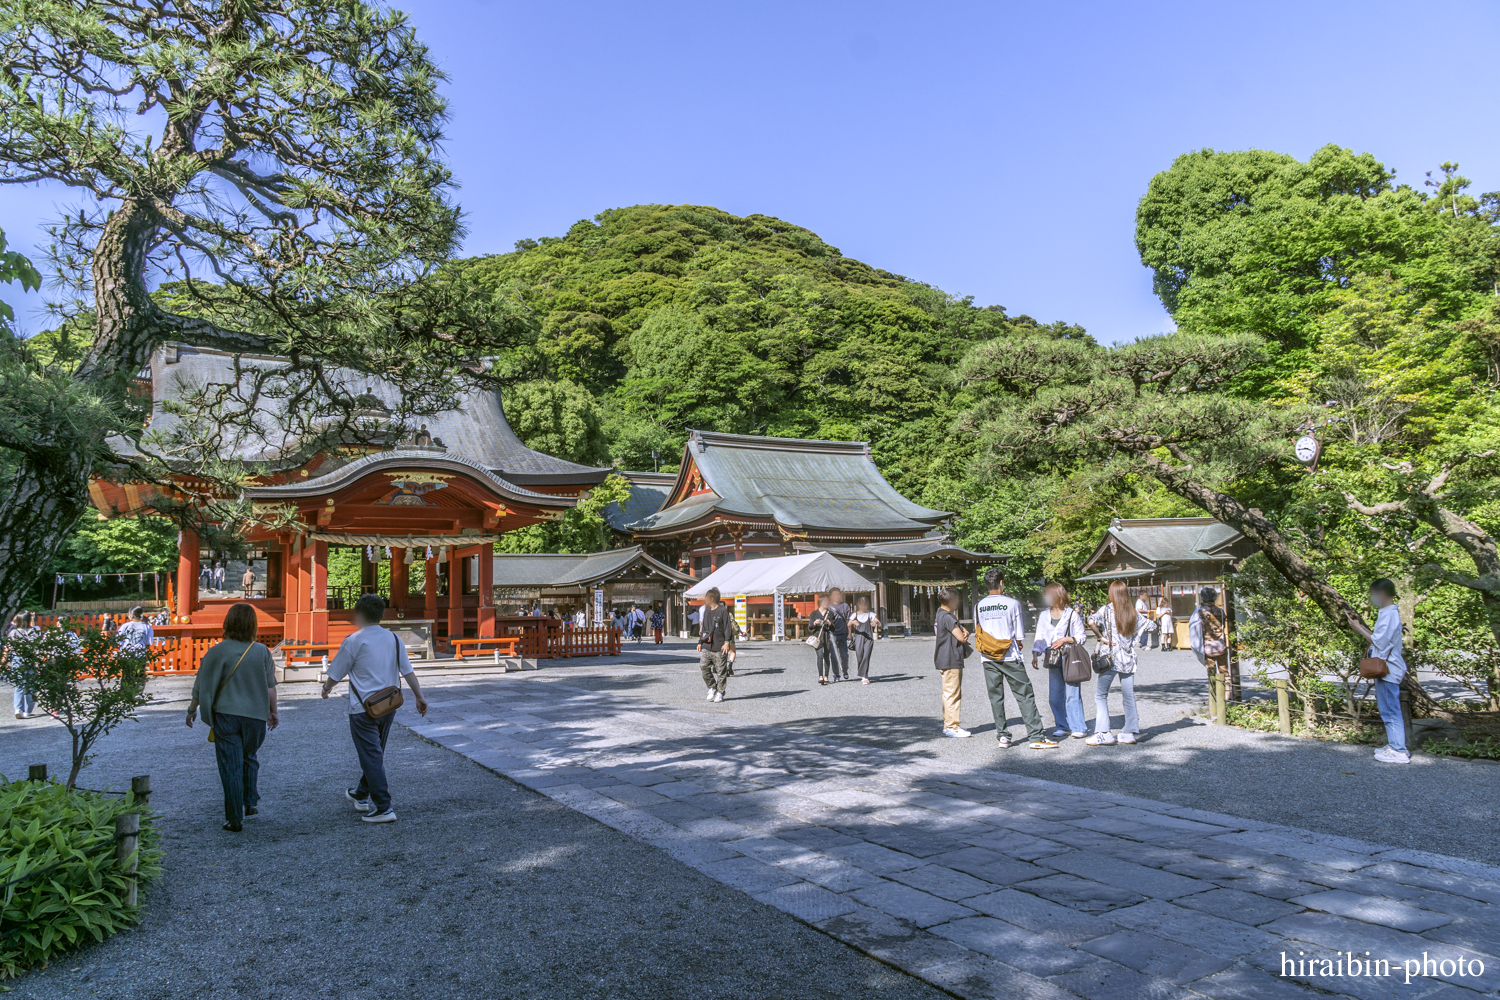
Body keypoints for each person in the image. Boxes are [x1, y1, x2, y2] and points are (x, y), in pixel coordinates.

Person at [321, 594, 429, 823]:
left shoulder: (354, 640)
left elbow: (336, 671)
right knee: (375, 753)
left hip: (362, 708)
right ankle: (360, 794)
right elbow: (407, 670)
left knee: (371, 755)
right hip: (389, 705)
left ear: (359, 615)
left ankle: (383, 806)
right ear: (381, 614)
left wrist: (326, 688)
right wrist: (419, 696)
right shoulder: (393, 639)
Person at [185, 603, 279, 832]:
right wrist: (273, 711)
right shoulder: (261, 651)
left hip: (227, 715)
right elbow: (270, 687)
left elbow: (202, 683)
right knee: (249, 756)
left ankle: (234, 817)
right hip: (256, 716)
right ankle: (250, 802)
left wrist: (192, 708)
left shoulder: (216, 651)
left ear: (228, 622)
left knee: (231, 765)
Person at [975, 568, 1056, 749]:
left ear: (987, 584)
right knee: (1024, 694)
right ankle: (1035, 736)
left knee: (996, 697)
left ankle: (1003, 736)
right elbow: (1019, 634)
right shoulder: (1012, 603)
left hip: (988, 657)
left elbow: (978, 631)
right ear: (1001, 583)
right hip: (1009, 655)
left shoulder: (979, 605)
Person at [1087, 580, 1151, 745]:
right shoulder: (1133, 612)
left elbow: (1091, 620)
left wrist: (1101, 637)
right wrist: (1134, 637)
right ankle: (1128, 732)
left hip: (1110, 658)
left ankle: (1104, 732)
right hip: (1128, 659)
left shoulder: (1107, 610)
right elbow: (1151, 626)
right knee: (1128, 696)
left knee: (1101, 695)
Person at [1031, 582, 1088, 739]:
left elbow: (1082, 637)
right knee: (1055, 695)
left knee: (1072, 693)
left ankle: (1078, 727)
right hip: (1052, 657)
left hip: (1070, 657)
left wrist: (1066, 639)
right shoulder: (1044, 615)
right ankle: (1062, 725)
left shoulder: (1072, 614)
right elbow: (1040, 636)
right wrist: (1036, 653)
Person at [1367, 578, 1411, 764]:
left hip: (1387, 669)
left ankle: (1398, 750)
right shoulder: (1388, 612)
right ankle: (1394, 745)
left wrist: (1358, 628)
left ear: (1381, 594)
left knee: (1390, 711)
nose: (1372, 598)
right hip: (1387, 667)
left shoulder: (1389, 614)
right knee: (1388, 709)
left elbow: (1380, 641)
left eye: (1373, 594)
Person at [933, 588, 971, 737]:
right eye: (956, 599)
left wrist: (962, 630)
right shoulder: (948, 617)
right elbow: (961, 637)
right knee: (953, 693)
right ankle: (952, 726)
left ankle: (948, 724)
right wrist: (964, 633)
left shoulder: (940, 613)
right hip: (950, 658)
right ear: (951, 601)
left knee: (948, 693)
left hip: (944, 657)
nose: (958, 602)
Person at [1188, 587, 1229, 697]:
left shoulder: (1199, 612)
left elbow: (1194, 630)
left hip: (1207, 646)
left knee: (1211, 673)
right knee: (1224, 672)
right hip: (1220, 645)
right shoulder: (1220, 611)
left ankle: (1215, 698)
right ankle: (1227, 697)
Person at [696, 587, 734, 702]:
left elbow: (728, 628)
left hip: (720, 645)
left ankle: (720, 692)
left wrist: (727, 642)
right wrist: (700, 641)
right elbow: (704, 628)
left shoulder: (723, 611)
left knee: (721, 671)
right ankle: (712, 687)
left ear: (712, 598)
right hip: (707, 645)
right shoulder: (707, 611)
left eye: (707, 597)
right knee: (704, 667)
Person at [8, 612, 36, 719]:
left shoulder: (13, 632)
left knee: (19, 685)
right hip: (30, 659)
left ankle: (18, 708)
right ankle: (28, 710)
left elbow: (9, 647)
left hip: (17, 659)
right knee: (30, 686)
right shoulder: (33, 632)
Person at [808, 595, 839, 686]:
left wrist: (829, 623)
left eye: (827, 602)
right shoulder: (814, 613)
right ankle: (820, 676)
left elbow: (833, 628)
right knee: (820, 655)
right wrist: (814, 623)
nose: (826, 603)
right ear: (820, 603)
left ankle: (826, 676)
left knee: (826, 656)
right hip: (818, 637)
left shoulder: (830, 613)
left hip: (827, 637)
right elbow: (810, 627)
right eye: (824, 602)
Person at [849, 595, 880, 685]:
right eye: (862, 605)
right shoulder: (855, 614)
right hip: (858, 638)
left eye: (865, 605)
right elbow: (848, 624)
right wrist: (852, 622)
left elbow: (877, 621)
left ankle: (864, 676)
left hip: (869, 638)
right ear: (859, 605)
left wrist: (876, 622)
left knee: (866, 656)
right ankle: (862, 673)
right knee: (859, 656)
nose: (863, 607)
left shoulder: (870, 614)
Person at [826, 588, 852, 680]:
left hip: (843, 634)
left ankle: (845, 670)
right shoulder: (828, 607)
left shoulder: (845, 606)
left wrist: (849, 633)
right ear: (831, 596)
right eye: (835, 594)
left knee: (844, 655)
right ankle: (836, 674)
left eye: (838, 594)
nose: (837, 596)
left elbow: (849, 620)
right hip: (832, 634)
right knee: (833, 656)